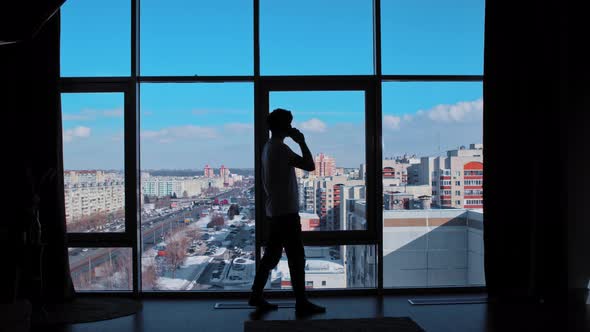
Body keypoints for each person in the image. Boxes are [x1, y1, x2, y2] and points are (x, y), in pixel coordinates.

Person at [249, 108, 326, 316]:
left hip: (275, 211)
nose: (291, 127)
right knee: (296, 258)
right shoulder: (280, 149)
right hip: (286, 213)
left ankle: (256, 294)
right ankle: (301, 302)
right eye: (289, 124)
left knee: (272, 257)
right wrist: (301, 141)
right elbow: (310, 165)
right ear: (283, 126)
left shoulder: (269, 147)